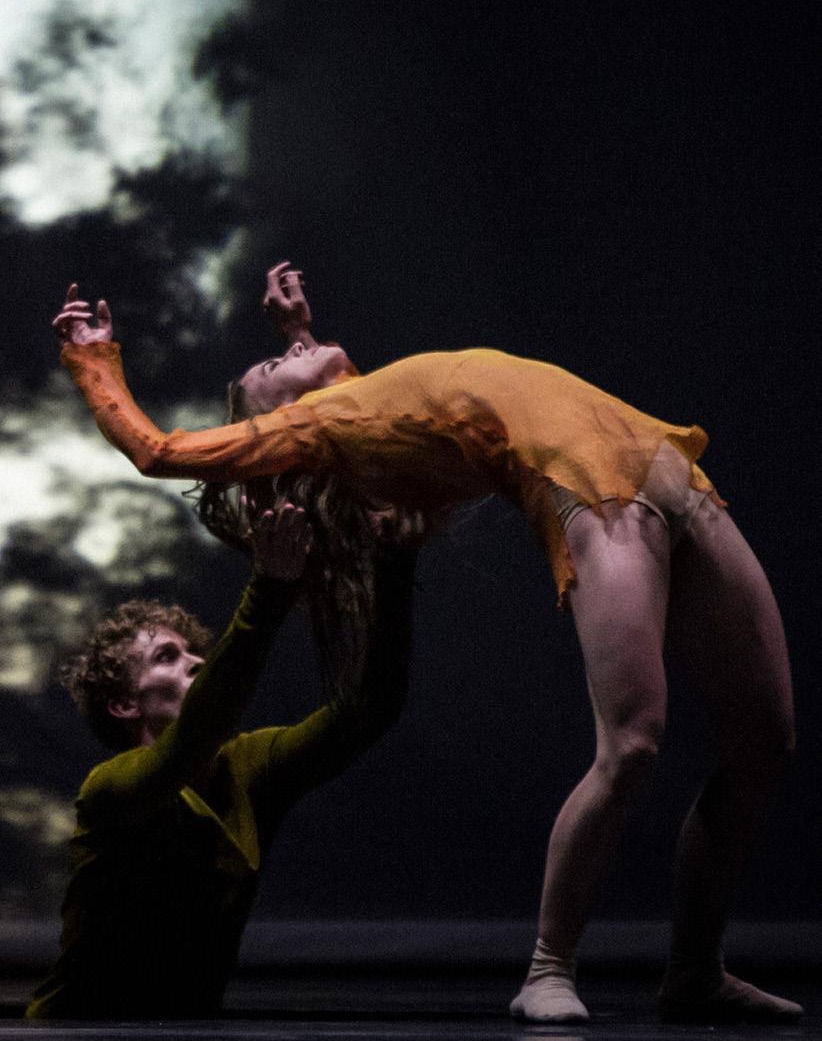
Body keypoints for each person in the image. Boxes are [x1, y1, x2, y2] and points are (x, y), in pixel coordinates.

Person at [52, 271, 800, 1024]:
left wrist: (297, 336)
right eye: (273, 366)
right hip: (597, 491)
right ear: (277, 427)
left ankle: (697, 970)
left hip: (668, 466)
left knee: (766, 741)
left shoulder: (360, 406)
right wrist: (93, 357)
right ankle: (549, 967)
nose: (294, 349)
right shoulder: (318, 427)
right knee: (633, 742)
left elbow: (366, 393)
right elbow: (158, 450)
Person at [25, 498, 418, 1019]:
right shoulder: (110, 790)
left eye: (196, 654)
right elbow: (194, 736)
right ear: (125, 705)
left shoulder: (249, 767)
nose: (196, 661)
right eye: (167, 657)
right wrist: (269, 590)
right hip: (74, 1034)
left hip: (187, 1031)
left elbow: (368, 709)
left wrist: (394, 565)